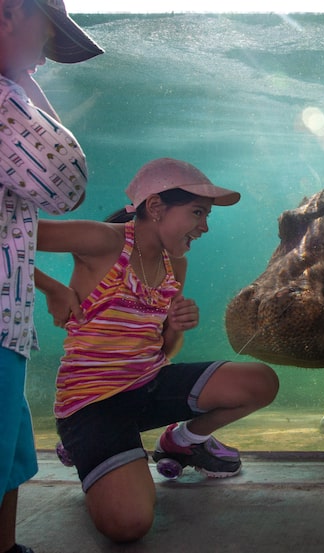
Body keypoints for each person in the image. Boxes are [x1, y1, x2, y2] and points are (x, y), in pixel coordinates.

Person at [37, 158, 279, 543]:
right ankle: (84, 447)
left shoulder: (174, 265)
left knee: (261, 382)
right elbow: (10, 230)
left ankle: (181, 442)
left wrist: (176, 326)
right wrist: (52, 288)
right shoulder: (103, 241)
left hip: (150, 386)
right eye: (197, 212)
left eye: (207, 215)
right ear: (155, 207)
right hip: (92, 402)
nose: (205, 226)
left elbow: (166, 349)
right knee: (129, 524)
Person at [0, 1, 103, 552]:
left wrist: (49, 285)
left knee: (11, 455)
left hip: (8, 320)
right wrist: (24, 81)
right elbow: (67, 183)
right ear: (9, 12)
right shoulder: (4, 101)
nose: (42, 58)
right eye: (44, 36)